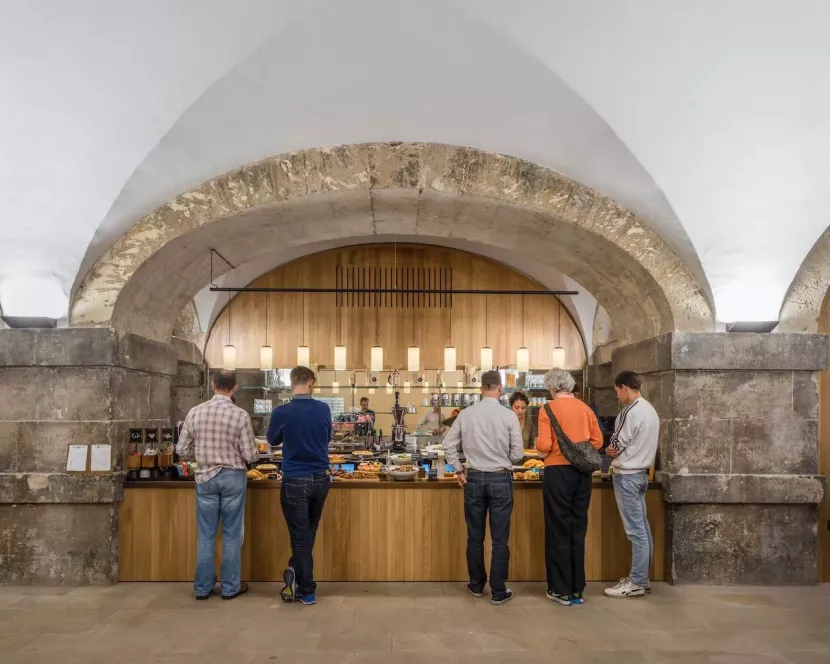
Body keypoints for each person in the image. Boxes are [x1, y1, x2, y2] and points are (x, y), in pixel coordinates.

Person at [443, 370, 524, 605]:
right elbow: (518, 455)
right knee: (499, 540)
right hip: (500, 479)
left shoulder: (466, 414)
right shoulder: (509, 416)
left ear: (481, 389)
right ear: (500, 388)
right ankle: (498, 591)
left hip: (474, 479)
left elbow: (448, 445)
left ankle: (476, 585)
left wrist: (458, 470)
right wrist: (503, 455)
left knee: (475, 537)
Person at [176, 370, 258, 600]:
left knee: (206, 535)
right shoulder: (240, 415)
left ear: (212, 385)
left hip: (205, 477)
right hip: (233, 477)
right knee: (232, 535)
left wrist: (202, 452)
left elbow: (181, 449)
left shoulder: (195, 412)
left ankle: (202, 588)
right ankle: (230, 588)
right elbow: (251, 454)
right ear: (235, 388)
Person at [536, 368, 603, 606]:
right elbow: (597, 442)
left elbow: (544, 445)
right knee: (577, 528)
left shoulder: (547, 409)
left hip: (557, 472)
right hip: (582, 474)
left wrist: (540, 445)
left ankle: (560, 590)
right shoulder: (586, 409)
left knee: (558, 529)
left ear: (552, 388)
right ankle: (577, 590)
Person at [266, 366, 332, 605]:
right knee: (308, 532)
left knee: (300, 536)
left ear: (291, 383)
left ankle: (307, 589)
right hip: (320, 478)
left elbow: (272, 440)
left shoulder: (281, 412)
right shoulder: (323, 409)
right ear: (311, 382)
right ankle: (294, 571)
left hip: (294, 478)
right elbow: (327, 438)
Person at [604, 371, 660, 599]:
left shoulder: (631, 411)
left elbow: (616, 444)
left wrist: (609, 449)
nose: (618, 396)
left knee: (636, 531)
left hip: (627, 476)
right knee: (643, 529)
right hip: (641, 474)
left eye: (618, 391)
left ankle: (636, 582)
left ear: (624, 387)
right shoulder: (650, 410)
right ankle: (642, 578)